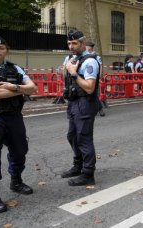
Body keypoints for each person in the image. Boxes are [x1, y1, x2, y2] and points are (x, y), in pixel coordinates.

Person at [0, 35, 37, 213]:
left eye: (1, 48)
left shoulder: (15, 68)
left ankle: (16, 181)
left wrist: (14, 87)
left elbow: (33, 87)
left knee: (20, 150)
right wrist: (20, 90)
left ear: (6, 50)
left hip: (14, 117)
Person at [61, 29, 100, 186]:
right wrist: (67, 68)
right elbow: (64, 76)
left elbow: (90, 87)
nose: (71, 46)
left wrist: (74, 73)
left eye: (74, 43)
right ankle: (78, 165)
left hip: (85, 102)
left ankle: (88, 173)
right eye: (69, 43)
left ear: (83, 43)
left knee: (83, 138)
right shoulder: (73, 59)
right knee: (72, 136)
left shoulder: (90, 62)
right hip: (73, 102)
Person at [85, 40, 105, 117]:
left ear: (89, 48)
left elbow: (100, 66)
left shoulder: (96, 56)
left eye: (86, 46)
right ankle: (92, 109)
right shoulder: (84, 55)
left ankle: (99, 108)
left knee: (93, 93)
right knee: (88, 93)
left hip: (94, 77)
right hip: (86, 76)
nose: (85, 48)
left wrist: (100, 76)